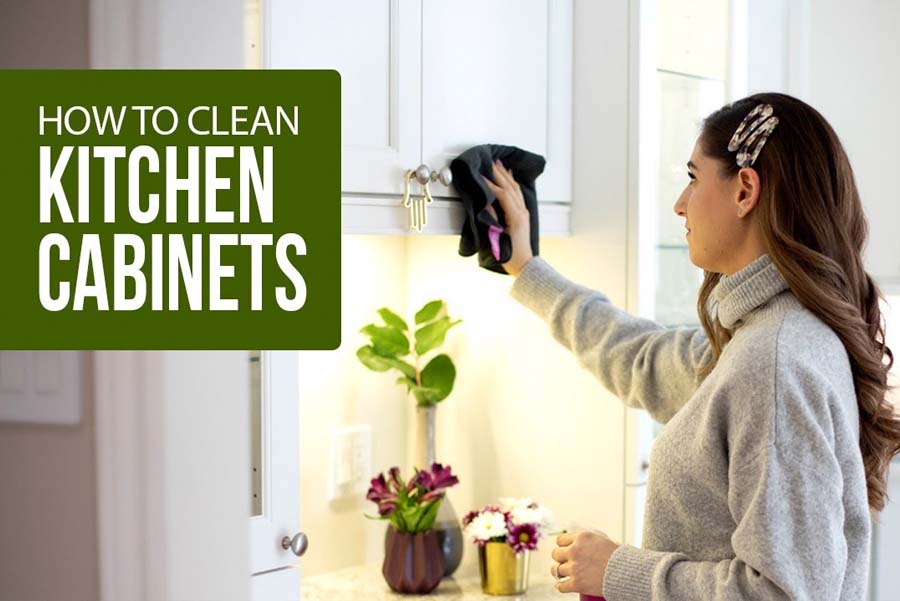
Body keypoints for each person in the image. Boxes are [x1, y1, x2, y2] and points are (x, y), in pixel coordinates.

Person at [482, 92, 900, 600]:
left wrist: (617, 569)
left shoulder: (774, 359)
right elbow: (642, 358)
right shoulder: (763, 337)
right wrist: (525, 267)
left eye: (693, 176)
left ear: (745, 190)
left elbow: (786, 594)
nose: (680, 203)